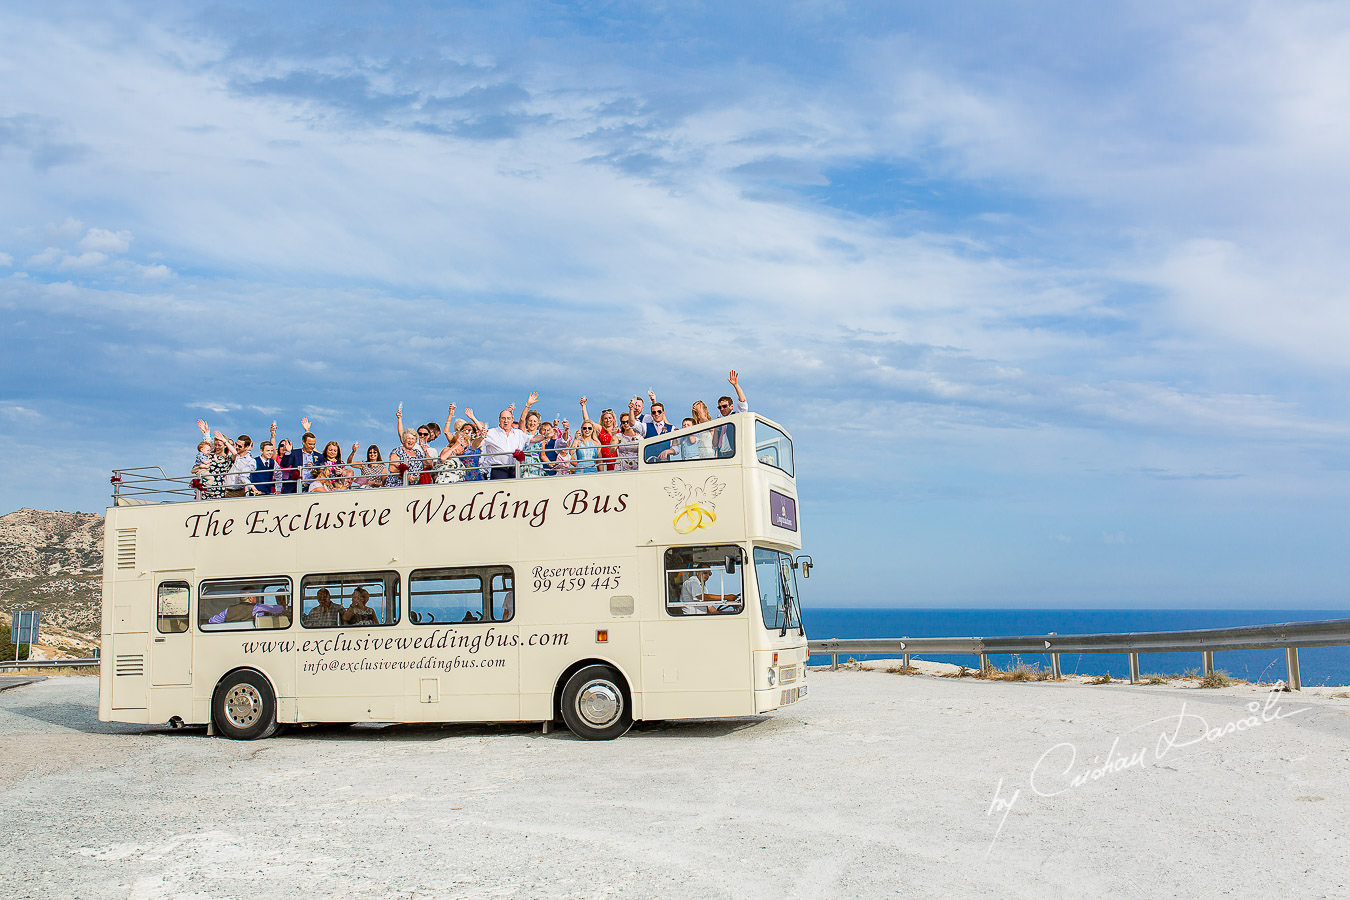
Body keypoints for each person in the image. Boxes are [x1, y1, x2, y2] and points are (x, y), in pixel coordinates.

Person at [481, 396, 535, 479]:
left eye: (508, 418)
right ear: (499, 419)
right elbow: (475, 445)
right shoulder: (492, 432)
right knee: (499, 490)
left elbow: (533, 439)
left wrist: (545, 436)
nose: (506, 421)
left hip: (514, 468)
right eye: (503, 418)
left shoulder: (518, 433)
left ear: (512, 419)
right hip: (498, 469)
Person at [387, 407, 427, 487]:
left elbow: (427, 465)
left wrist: (425, 451)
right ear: (404, 439)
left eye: (412, 439)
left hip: (414, 486)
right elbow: (391, 468)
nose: (410, 441)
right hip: (398, 485)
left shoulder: (417, 452)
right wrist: (406, 476)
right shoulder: (397, 451)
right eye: (408, 438)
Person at [580, 398, 619, 472]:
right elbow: (587, 421)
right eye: (605, 418)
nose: (608, 420)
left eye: (610, 418)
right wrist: (583, 407)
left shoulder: (618, 430)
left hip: (614, 459)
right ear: (603, 420)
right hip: (602, 459)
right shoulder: (600, 429)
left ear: (613, 419)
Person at [280, 419, 319, 493]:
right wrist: (288, 452)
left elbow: (322, 471)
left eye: (314, 444)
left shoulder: (318, 456)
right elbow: (284, 465)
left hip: (312, 487)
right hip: (295, 486)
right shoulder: (295, 453)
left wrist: (314, 468)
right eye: (310, 444)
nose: (312, 446)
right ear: (303, 442)